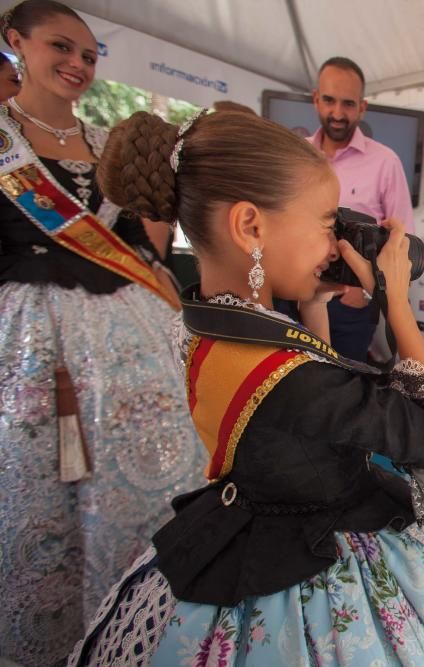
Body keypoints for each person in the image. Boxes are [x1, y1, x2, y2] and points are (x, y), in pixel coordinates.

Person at [69, 109, 424, 666]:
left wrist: (312, 308)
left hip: (240, 523)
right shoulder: (295, 381)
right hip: (313, 561)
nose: (334, 241)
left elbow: (302, 401)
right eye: (324, 222)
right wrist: (396, 305)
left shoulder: (203, 319)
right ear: (250, 226)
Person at [0, 2, 203, 665]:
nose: (78, 65)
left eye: (90, 56)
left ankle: (125, 623)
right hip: (26, 344)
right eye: (61, 47)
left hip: (123, 341)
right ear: (15, 44)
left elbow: (122, 241)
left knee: (139, 483)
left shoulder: (101, 138)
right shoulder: (4, 141)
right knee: (37, 498)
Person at [280, 55, 414, 363]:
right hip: (291, 295)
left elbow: (402, 239)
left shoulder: (385, 161)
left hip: (349, 305)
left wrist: (362, 293)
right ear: (315, 100)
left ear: (362, 107)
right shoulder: (297, 156)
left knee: (341, 396)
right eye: (329, 100)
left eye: (348, 104)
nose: (337, 113)